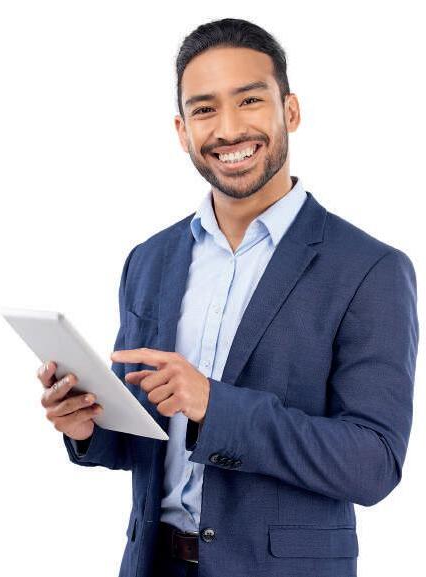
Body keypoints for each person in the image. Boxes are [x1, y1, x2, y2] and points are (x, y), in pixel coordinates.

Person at [37, 17, 419, 577]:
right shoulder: (150, 259)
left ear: (290, 111)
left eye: (250, 100)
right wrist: (88, 427)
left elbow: (374, 464)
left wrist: (216, 407)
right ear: (182, 130)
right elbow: (147, 442)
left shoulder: (370, 269)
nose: (229, 129)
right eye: (205, 109)